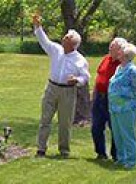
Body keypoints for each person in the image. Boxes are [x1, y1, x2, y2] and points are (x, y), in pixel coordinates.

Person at [33, 14, 90, 158]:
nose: (63, 39)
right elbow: (43, 41)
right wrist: (37, 26)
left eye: (66, 38)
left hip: (67, 91)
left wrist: (76, 80)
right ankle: (41, 148)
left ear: (72, 44)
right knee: (45, 119)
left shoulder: (79, 60)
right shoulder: (56, 50)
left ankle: (64, 150)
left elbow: (86, 77)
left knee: (65, 122)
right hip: (52, 88)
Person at [108, 43, 136, 169]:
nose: (118, 53)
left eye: (120, 51)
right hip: (114, 107)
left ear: (126, 55)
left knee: (127, 135)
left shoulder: (133, 71)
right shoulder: (119, 68)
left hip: (127, 107)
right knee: (117, 134)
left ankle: (131, 161)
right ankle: (121, 158)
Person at [91, 38, 127, 161]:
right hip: (99, 97)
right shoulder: (106, 58)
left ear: (120, 50)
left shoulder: (123, 64)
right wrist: (94, 91)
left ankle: (116, 154)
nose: (109, 48)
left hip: (112, 98)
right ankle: (100, 153)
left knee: (115, 127)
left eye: (113, 47)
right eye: (110, 46)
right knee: (96, 126)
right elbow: (99, 74)